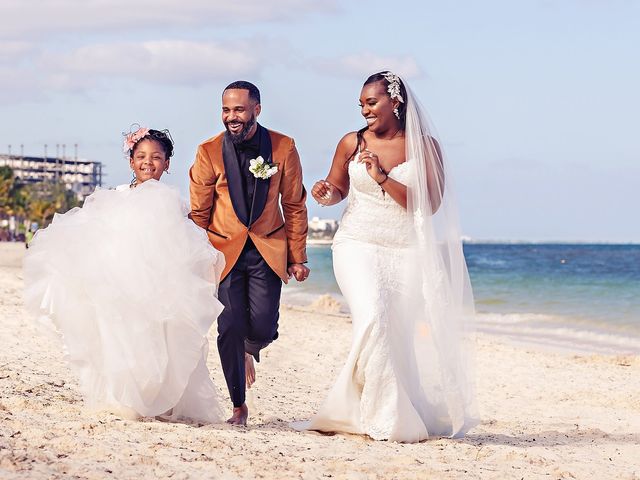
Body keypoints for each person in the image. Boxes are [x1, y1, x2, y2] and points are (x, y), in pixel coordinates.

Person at [301, 72, 478, 442]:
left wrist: (383, 177)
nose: (365, 110)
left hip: (407, 249)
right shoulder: (352, 142)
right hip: (357, 243)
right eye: (361, 104)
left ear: (395, 102)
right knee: (373, 317)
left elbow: (428, 205)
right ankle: (384, 417)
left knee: (396, 332)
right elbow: (337, 188)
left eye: (372, 102)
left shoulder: (424, 146)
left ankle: (373, 407)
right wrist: (325, 192)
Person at [23, 127, 225, 423]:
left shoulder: (173, 202)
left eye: (157, 157)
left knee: (161, 341)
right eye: (141, 156)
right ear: (131, 161)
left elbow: (183, 246)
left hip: (159, 286)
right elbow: (92, 233)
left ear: (168, 164)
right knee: (120, 337)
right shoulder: (115, 196)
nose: (148, 162)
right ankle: (122, 396)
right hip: (118, 283)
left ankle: (156, 399)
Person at [189, 81, 309, 426]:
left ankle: (250, 348)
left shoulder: (283, 147)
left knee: (263, 326)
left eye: (239, 109)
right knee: (229, 327)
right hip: (222, 249)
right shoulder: (208, 151)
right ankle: (239, 406)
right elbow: (199, 213)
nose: (231, 117)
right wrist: (194, 258)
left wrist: (298, 257)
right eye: (226, 110)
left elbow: (295, 205)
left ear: (256, 109)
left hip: (267, 248)